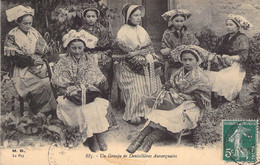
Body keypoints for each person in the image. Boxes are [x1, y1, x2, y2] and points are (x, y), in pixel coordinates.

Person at [126, 45, 211, 153]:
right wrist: (172, 90)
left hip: (191, 105)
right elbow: (168, 84)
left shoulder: (201, 77)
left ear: (197, 60)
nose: (187, 62)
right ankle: (138, 140)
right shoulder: (178, 73)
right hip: (174, 101)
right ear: (181, 60)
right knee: (158, 113)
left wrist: (191, 97)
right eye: (184, 60)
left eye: (190, 59)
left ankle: (150, 140)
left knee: (171, 116)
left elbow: (205, 97)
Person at [52, 30, 116, 152]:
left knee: (94, 107)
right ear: (69, 48)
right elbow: (59, 82)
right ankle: (91, 137)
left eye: (80, 48)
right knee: (82, 109)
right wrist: (71, 89)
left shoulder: (89, 60)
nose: (77, 51)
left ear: (84, 47)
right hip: (70, 96)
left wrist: (86, 87)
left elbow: (95, 78)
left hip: (87, 94)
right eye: (74, 48)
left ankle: (98, 135)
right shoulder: (63, 62)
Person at [113, 4, 163, 125]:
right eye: (135, 15)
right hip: (127, 64)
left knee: (154, 73)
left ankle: (151, 110)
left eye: (140, 15)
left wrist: (148, 54)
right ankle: (135, 112)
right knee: (137, 83)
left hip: (144, 60)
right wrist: (138, 53)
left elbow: (149, 46)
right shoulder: (123, 32)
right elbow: (122, 54)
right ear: (129, 17)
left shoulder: (142, 30)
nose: (138, 18)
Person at [4, 5, 57, 115]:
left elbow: (43, 50)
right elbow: (14, 57)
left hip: (37, 64)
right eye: (25, 23)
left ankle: (54, 109)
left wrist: (40, 61)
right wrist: (31, 61)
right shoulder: (12, 36)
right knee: (37, 84)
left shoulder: (34, 32)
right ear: (18, 22)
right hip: (21, 68)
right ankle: (42, 112)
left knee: (49, 81)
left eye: (30, 23)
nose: (28, 26)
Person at [205, 14, 251, 106]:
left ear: (238, 26)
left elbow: (243, 56)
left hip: (235, 64)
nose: (228, 27)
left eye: (231, 25)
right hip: (222, 63)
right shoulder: (224, 38)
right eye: (227, 24)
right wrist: (214, 55)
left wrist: (230, 58)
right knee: (209, 74)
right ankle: (215, 97)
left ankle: (226, 98)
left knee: (224, 77)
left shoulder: (242, 38)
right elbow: (217, 50)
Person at [80, 3, 112, 99]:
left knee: (101, 65)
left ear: (97, 17)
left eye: (93, 16)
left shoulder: (102, 29)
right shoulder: (82, 30)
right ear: (85, 17)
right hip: (85, 53)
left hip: (100, 52)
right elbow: (79, 43)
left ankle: (103, 92)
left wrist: (97, 51)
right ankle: (88, 92)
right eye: (88, 16)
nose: (91, 19)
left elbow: (106, 44)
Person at [160, 9, 199, 82]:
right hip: (173, 63)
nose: (179, 23)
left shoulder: (188, 32)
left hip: (187, 60)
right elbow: (164, 47)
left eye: (181, 21)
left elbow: (195, 43)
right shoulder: (167, 33)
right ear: (172, 21)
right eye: (177, 21)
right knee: (173, 80)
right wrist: (171, 52)